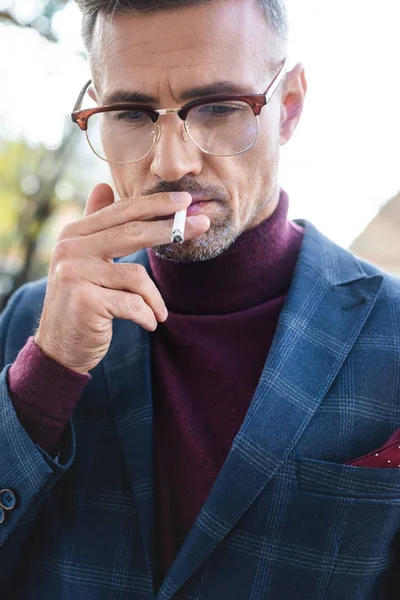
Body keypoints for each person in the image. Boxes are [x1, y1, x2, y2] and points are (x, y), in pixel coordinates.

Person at [0, 0, 399, 597]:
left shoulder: (392, 333)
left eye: (218, 108)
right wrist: (46, 376)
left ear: (288, 106)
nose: (171, 162)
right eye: (132, 113)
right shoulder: (32, 323)